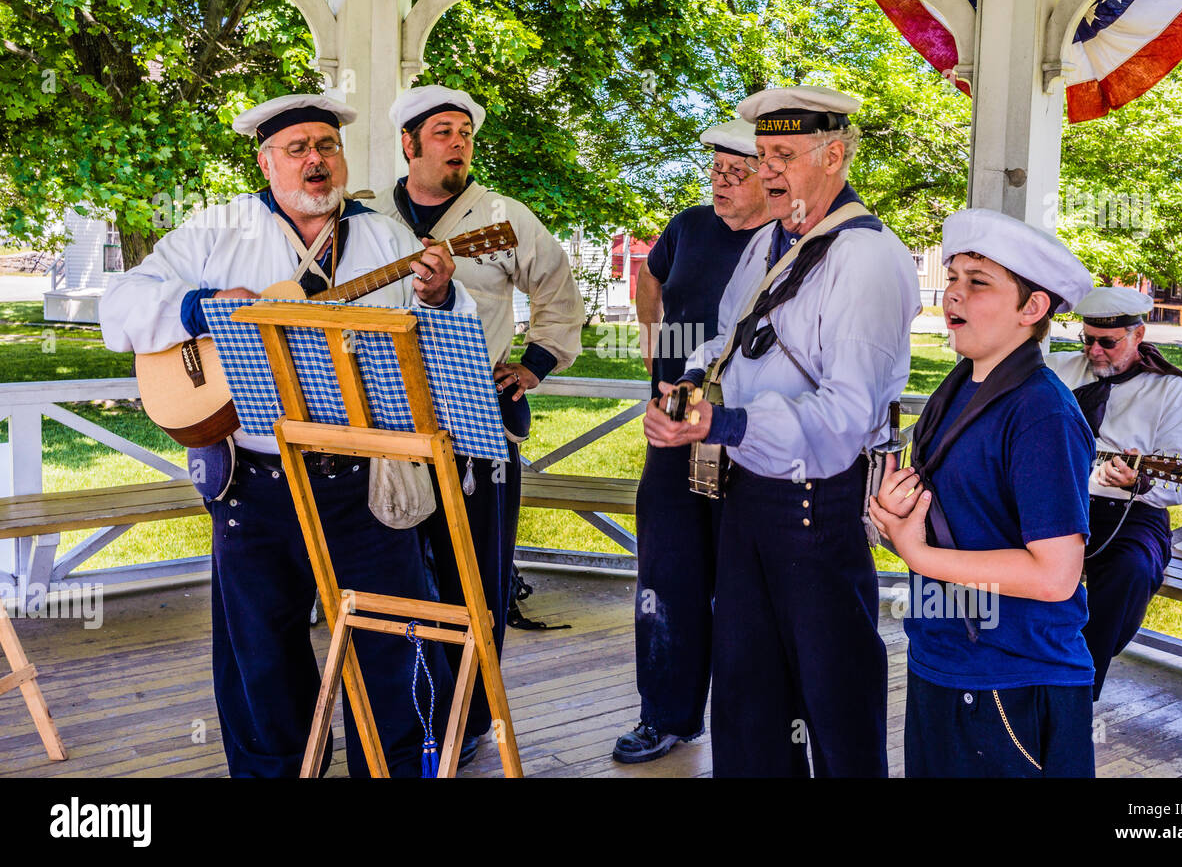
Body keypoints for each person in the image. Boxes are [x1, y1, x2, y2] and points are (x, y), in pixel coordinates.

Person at [100, 94, 475, 777]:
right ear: (266, 160)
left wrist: (442, 295)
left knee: (394, 642)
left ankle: (394, 770)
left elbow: (449, 341)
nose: (315, 160)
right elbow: (119, 304)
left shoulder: (387, 238)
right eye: (298, 148)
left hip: (361, 478)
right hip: (256, 481)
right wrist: (198, 309)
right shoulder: (216, 230)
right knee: (261, 652)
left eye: (326, 147)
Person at [644, 85, 921, 777]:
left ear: (834, 156)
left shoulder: (866, 256)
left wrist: (727, 421)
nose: (767, 170)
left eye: (784, 155)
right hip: (750, 492)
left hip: (816, 506)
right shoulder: (774, 238)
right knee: (746, 693)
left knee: (835, 694)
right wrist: (690, 383)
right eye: (763, 154)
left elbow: (846, 413)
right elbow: (730, 338)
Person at [374, 85, 584, 764]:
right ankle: (411, 713)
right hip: (387, 418)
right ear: (408, 144)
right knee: (399, 570)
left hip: (476, 415)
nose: (457, 142)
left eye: (464, 132)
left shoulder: (501, 216)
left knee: (477, 570)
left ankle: (470, 714)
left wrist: (535, 365)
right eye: (442, 132)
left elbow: (558, 290)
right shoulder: (369, 216)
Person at [868, 207, 1097, 778]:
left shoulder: (1041, 412)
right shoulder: (961, 387)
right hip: (943, 657)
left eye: (978, 282)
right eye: (951, 278)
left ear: (1033, 308)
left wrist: (918, 553)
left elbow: (1054, 575)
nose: (953, 296)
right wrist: (901, 522)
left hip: (1012, 675)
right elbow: (959, 531)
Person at [613, 118, 775, 764]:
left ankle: (748, 729)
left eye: (738, 171)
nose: (722, 181)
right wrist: (659, 356)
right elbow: (651, 281)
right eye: (716, 169)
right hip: (675, 426)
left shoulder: (787, 241)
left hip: (749, 434)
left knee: (743, 586)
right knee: (666, 572)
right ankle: (668, 716)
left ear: (773, 173)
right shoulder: (685, 228)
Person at [1045, 287, 1182, 700]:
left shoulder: (1168, 392)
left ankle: (1078, 685)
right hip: (1057, 499)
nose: (1094, 351)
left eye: (1108, 342)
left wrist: (1140, 481)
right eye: (1087, 339)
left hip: (1131, 512)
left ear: (1138, 335)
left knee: (1131, 569)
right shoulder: (1059, 369)